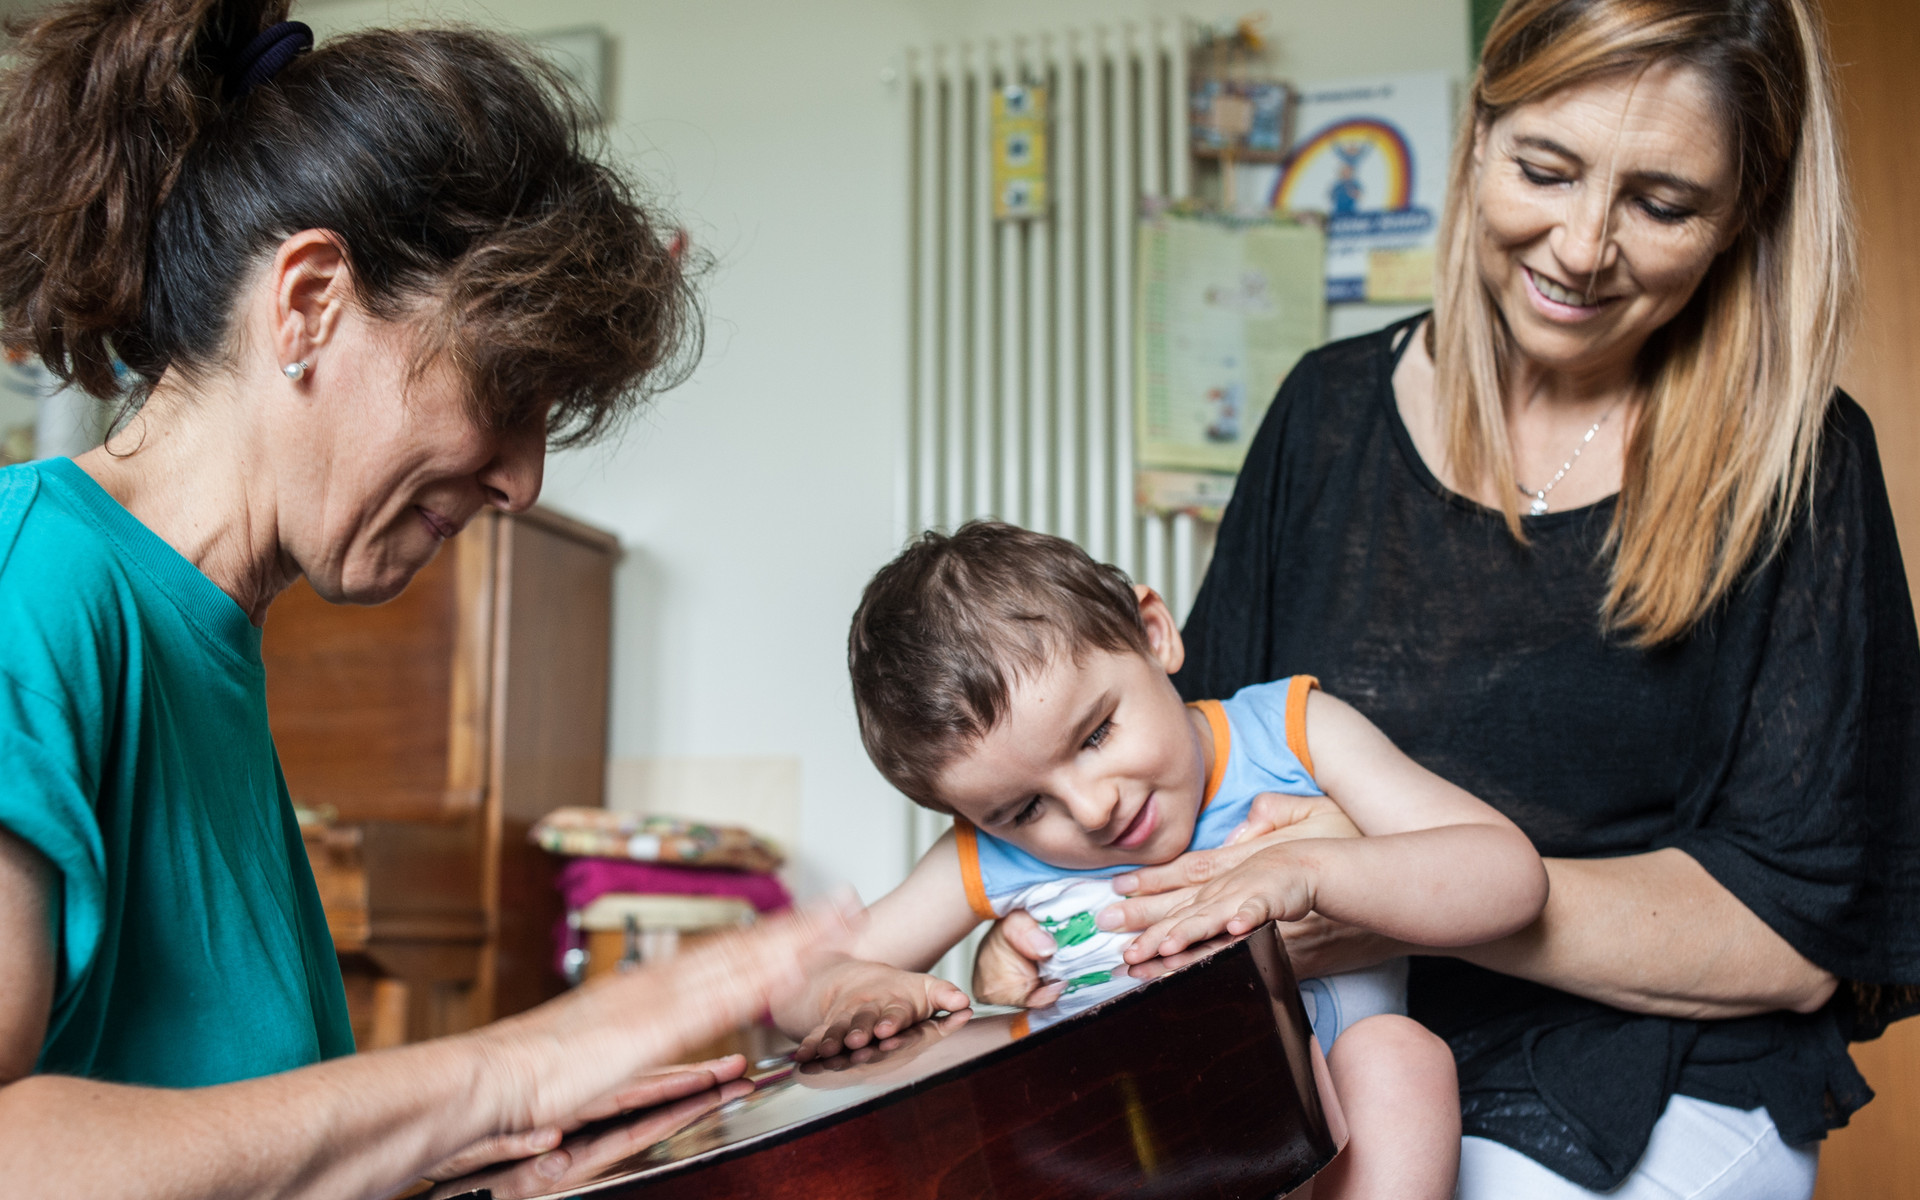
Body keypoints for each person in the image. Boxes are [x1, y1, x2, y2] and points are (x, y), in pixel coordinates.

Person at [973, 1, 1920, 1197]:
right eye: (1544, 168)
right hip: (1330, 1033)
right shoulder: (1322, 418)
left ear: (1743, 219)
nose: (1581, 246)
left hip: (1660, 1061)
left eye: (1662, 203)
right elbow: (1181, 794)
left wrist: (1386, 895)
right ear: (1479, 139)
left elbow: (1794, 939)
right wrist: (1018, 948)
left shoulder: (1804, 465)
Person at [0, 2, 858, 1197]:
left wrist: (475, 1166)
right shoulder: (29, 585)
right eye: (505, 391)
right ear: (308, 304)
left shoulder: (209, 638)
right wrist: (503, 1073)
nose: (522, 479)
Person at [778, 521, 1550, 1198]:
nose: (1092, 809)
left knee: (1401, 1056)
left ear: (1153, 633)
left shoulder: (1292, 735)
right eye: (1024, 808)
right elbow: (797, 983)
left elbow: (1509, 879)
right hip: (1136, 1154)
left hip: (1340, 1156)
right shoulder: (993, 852)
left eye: (1094, 736)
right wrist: (859, 992)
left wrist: (1309, 871)